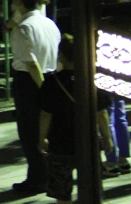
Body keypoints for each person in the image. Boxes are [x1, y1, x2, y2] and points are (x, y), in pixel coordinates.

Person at [38, 34, 113, 204]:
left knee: (62, 192)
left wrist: (41, 138)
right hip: (88, 141)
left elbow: (45, 114)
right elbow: (101, 113)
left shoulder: (51, 82)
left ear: (61, 56)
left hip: (60, 143)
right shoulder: (94, 79)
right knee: (92, 187)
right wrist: (107, 137)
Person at [9, 0, 61, 195]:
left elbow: (31, 64)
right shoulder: (49, 23)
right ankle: (48, 175)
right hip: (51, 75)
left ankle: (37, 178)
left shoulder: (23, 29)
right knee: (47, 131)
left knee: (30, 132)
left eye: (14, 0)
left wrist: (42, 90)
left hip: (30, 83)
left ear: (20, 2)